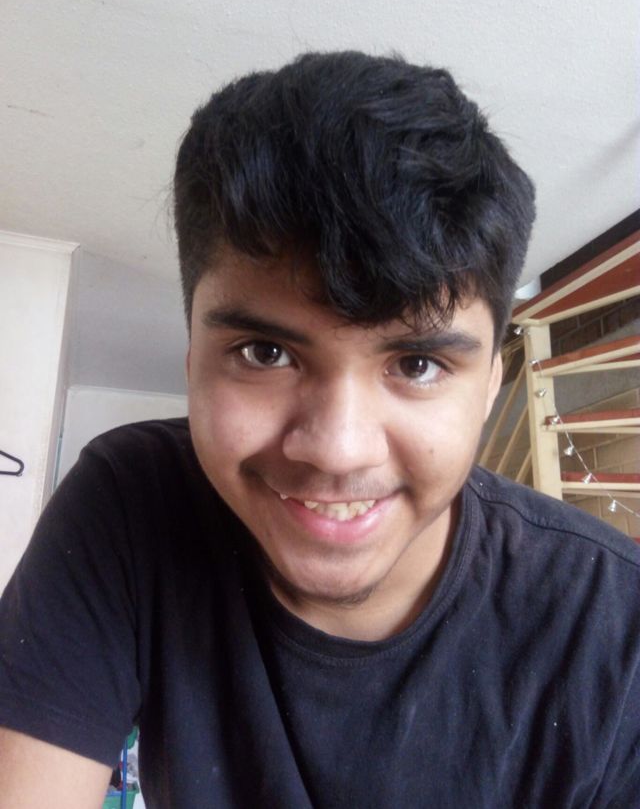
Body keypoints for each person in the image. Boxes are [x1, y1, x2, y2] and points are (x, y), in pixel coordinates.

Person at [0, 51, 638, 809]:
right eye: (265, 353)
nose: (337, 449)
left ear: (490, 386)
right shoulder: (132, 503)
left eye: (418, 364)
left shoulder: (617, 629)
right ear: (193, 360)